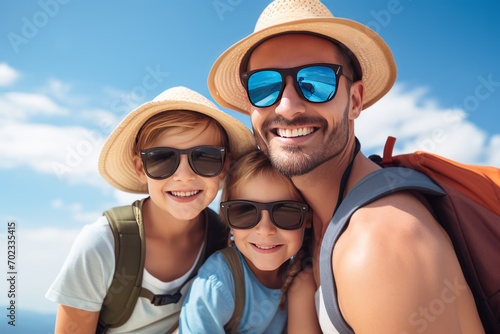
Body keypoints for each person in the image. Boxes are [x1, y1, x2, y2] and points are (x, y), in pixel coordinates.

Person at [207, 0, 485, 333]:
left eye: (316, 82)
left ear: (354, 101)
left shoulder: (377, 244)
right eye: (264, 87)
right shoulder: (314, 224)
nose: (288, 106)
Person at [45, 86, 256, 333]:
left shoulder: (227, 239)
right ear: (140, 168)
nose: (184, 176)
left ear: (224, 165)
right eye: (162, 159)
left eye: (205, 157)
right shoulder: (102, 245)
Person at [178, 149, 316, 333]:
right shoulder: (217, 283)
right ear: (228, 220)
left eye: (285, 212)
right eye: (244, 212)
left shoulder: (303, 278)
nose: (265, 230)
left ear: (307, 218)